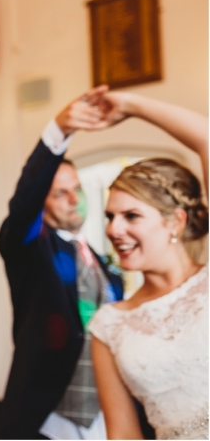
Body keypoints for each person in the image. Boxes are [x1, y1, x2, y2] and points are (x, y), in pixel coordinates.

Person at [0, 85, 127, 439]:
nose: (73, 200)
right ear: (44, 202)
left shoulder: (107, 266)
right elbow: (24, 205)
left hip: (107, 414)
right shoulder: (31, 250)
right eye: (58, 193)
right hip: (48, 418)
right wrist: (59, 131)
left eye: (77, 189)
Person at [86, 91, 208, 439]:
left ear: (176, 221)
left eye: (131, 216)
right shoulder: (109, 326)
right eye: (110, 217)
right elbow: (123, 434)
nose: (114, 229)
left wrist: (131, 106)